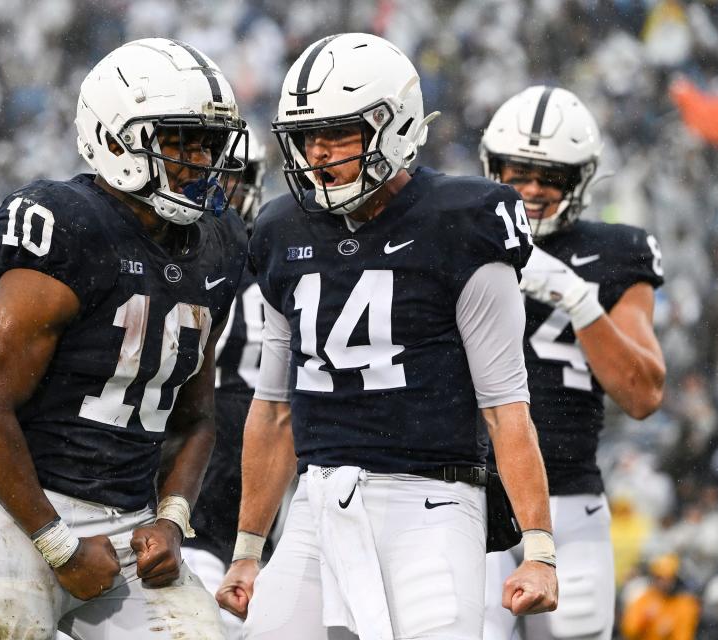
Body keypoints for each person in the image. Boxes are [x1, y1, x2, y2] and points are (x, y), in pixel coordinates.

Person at [215, 33, 557, 640]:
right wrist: (247, 548)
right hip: (316, 506)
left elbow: (505, 406)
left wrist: (538, 548)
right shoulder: (279, 229)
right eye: (306, 137)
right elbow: (272, 412)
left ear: (394, 128)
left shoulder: (461, 221)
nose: (317, 154)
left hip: (430, 502)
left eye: (338, 134)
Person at [0, 38, 248, 640]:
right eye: (181, 140)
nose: (203, 160)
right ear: (114, 139)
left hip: (131, 521)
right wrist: (59, 544)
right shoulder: (69, 225)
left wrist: (173, 519)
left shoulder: (221, 244)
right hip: (19, 515)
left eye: (210, 142)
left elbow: (196, 418)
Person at [480, 86, 666, 640]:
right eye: (519, 172)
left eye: (552, 177)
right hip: (468, 494)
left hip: (569, 498)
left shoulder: (614, 250)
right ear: (493, 169)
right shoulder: (457, 234)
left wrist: (578, 299)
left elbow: (643, 394)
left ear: (579, 180)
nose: (533, 189)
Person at [180, 126, 268, 639]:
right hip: (229, 425)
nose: (220, 190)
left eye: (232, 178)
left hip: (245, 425)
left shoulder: (264, 250)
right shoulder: (277, 249)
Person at [620, 554, 700, 640]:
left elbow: (684, 636)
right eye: (659, 578)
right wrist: (645, 619)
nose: (663, 583)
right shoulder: (646, 597)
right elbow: (629, 630)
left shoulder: (686, 604)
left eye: (668, 579)